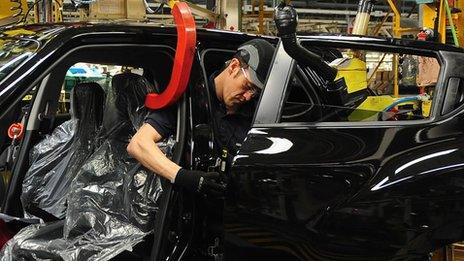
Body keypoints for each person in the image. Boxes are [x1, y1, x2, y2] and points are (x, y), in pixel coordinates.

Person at [127, 39, 275, 194]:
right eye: (248, 86)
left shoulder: (258, 112)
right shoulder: (190, 100)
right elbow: (138, 144)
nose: (247, 97)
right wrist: (183, 177)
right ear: (233, 66)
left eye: (255, 92)